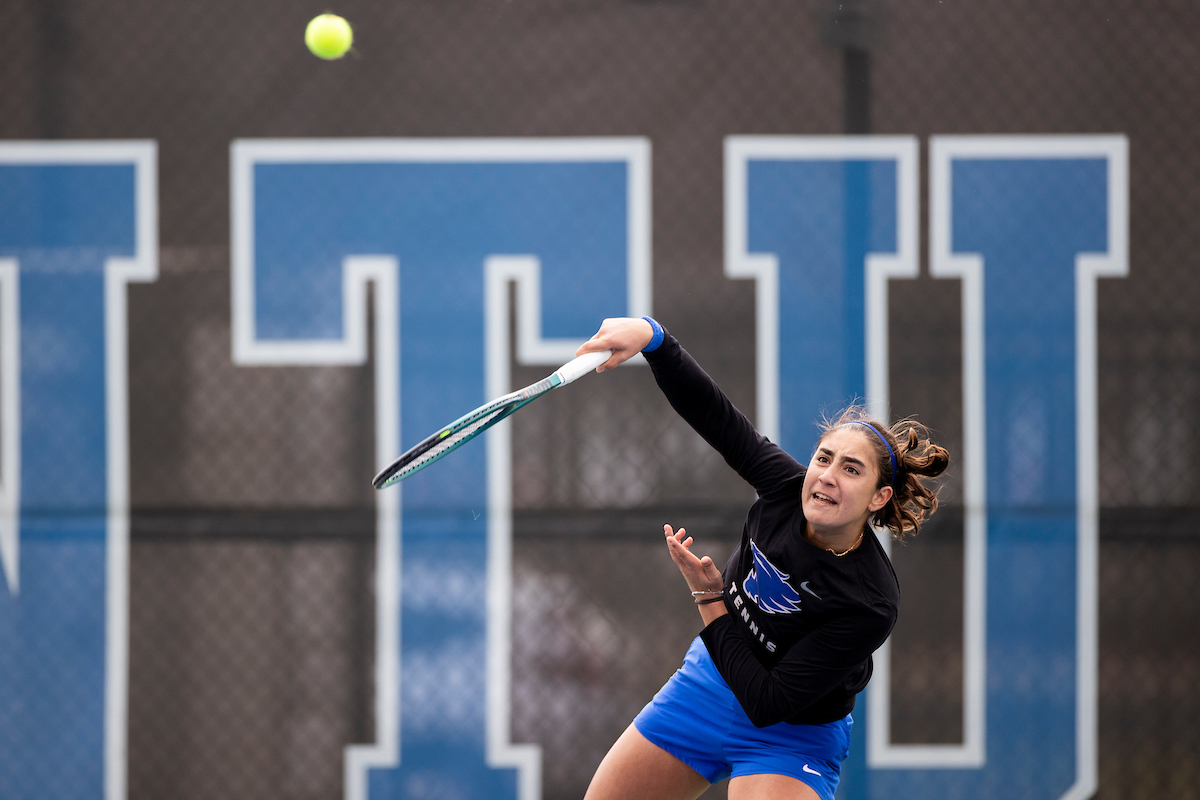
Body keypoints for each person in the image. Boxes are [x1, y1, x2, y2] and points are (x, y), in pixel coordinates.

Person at [577, 317, 950, 800]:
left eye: (851, 469)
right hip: (706, 688)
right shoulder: (784, 489)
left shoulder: (870, 602)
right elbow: (715, 416)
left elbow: (766, 701)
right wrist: (653, 338)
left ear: (878, 498)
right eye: (824, 458)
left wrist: (710, 598)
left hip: (792, 734)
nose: (828, 476)